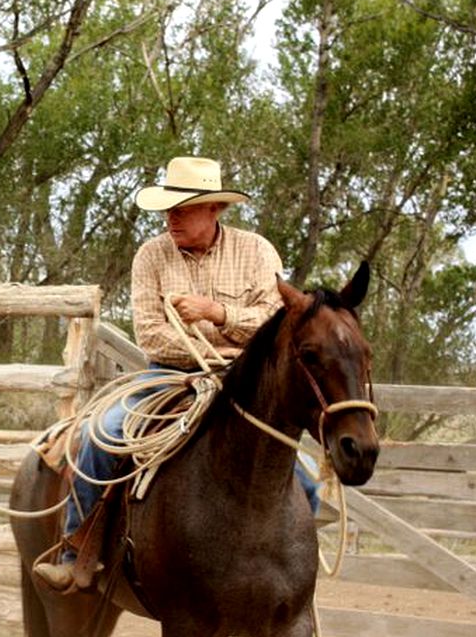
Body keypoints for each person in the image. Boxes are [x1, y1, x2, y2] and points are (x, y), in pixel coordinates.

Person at [33, 156, 307, 593]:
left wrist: (217, 313)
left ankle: (293, 567)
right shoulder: (152, 255)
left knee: (302, 472)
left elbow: (276, 323)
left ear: (214, 209)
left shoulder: (256, 251)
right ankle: (75, 550)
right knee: (103, 435)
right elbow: (153, 337)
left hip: (244, 381)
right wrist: (207, 353)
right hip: (169, 377)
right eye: (168, 209)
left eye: (182, 208)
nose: (170, 218)